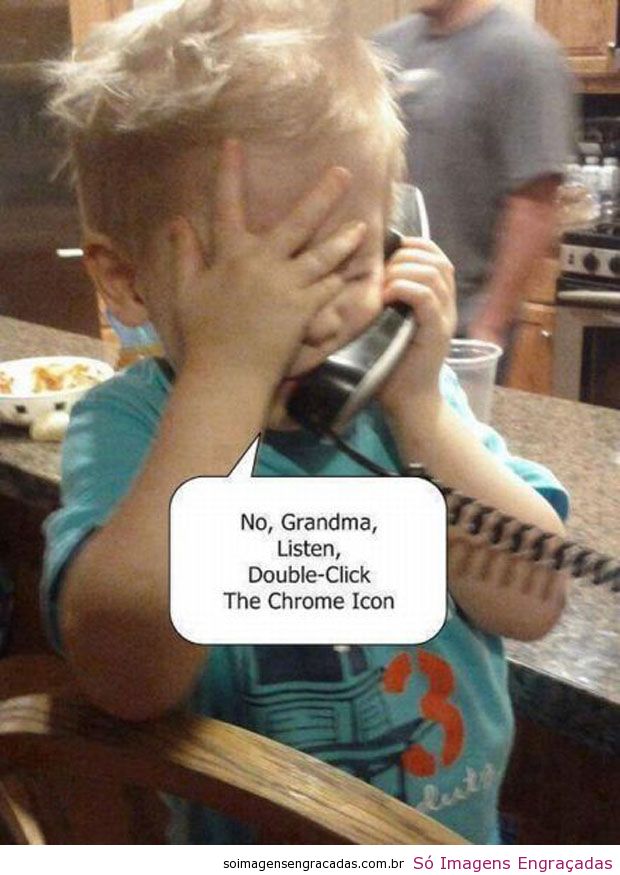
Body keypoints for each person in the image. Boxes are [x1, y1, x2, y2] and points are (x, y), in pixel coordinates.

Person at [41, 0, 569, 845]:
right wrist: (229, 377)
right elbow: (127, 676)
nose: (314, 315)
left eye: (346, 264)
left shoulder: (410, 403)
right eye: (257, 282)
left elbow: (534, 601)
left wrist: (422, 411)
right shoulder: (131, 425)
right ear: (128, 278)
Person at [374, 0, 575, 366]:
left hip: (461, 323)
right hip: (380, 309)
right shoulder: (386, 48)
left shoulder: (525, 55)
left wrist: (490, 326)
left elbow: (535, 203)